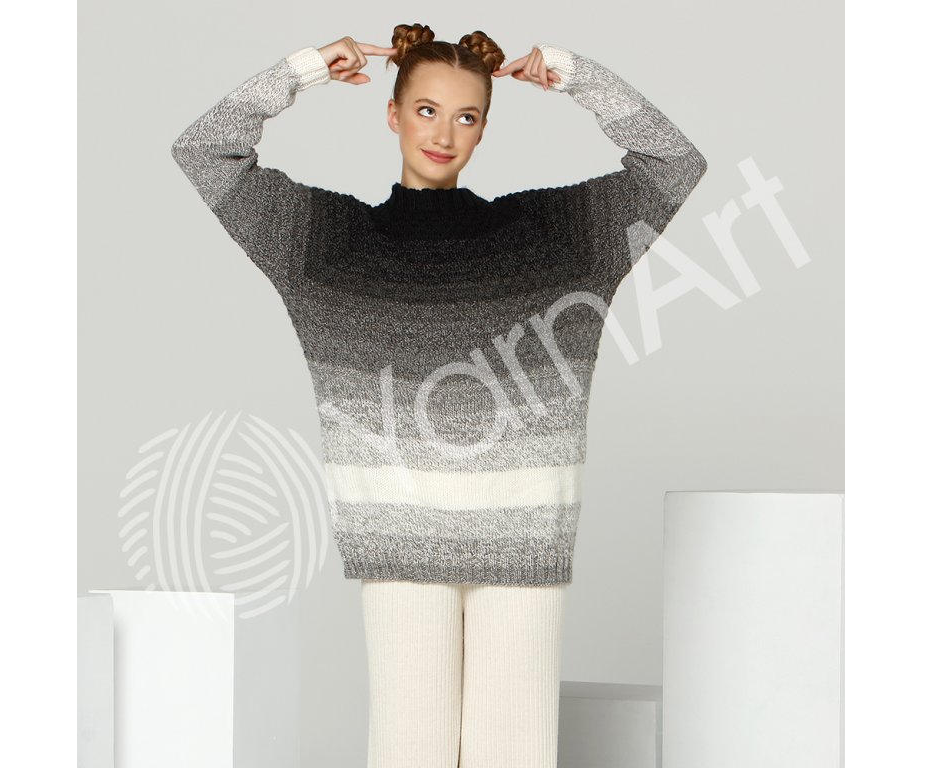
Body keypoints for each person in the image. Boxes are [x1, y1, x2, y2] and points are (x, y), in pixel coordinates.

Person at [172, 21, 706, 768]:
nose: (444, 134)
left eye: (467, 116)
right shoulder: (327, 242)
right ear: (392, 114)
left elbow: (674, 166)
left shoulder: (554, 237)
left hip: (523, 536)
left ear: (485, 128)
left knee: (513, 753)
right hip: (397, 540)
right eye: (426, 110)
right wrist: (304, 68)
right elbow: (204, 150)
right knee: (410, 750)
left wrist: (574, 74)